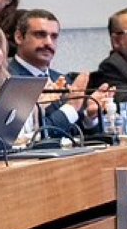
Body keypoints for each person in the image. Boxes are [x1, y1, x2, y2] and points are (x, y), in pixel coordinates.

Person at [8, 9, 113, 137]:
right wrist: (71, 108)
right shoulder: (7, 79)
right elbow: (29, 136)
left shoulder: (60, 79)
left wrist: (89, 117)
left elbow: (76, 133)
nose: (48, 42)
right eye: (40, 35)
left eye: (54, 36)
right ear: (19, 37)